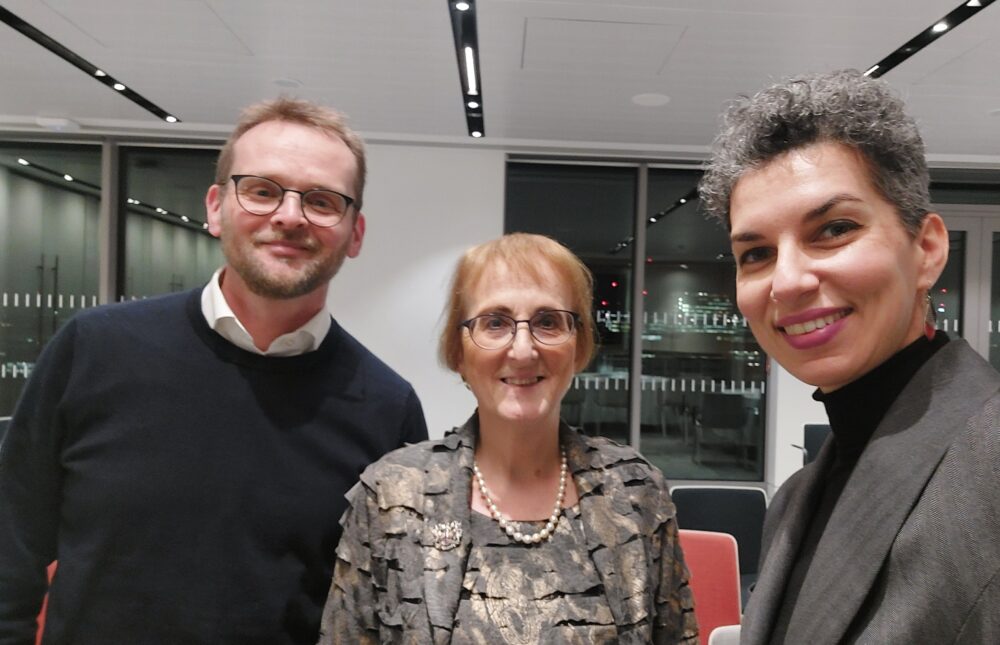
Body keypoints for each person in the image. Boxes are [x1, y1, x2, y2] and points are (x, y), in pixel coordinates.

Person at [0, 98, 428, 644]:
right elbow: (10, 546)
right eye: (262, 190)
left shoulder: (388, 410)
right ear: (216, 207)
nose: (289, 216)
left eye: (322, 200)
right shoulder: (94, 350)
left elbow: (388, 610)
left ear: (355, 232)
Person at [699, 69, 1000, 644]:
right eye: (756, 252)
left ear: (928, 250)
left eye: (834, 229)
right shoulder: (796, 498)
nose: (785, 281)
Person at [319, 233, 698, 644]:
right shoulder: (392, 496)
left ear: (579, 346)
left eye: (548, 322)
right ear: (458, 351)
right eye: (495, 322)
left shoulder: (636, 495)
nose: (522, 350)